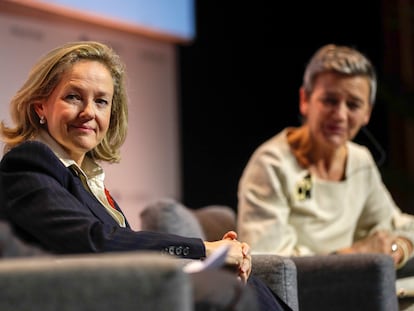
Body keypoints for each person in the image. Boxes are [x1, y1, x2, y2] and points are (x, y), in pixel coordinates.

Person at [0, 41, 290, 311]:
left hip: (116, 291)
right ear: (41, 106)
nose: (88, 112)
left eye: (101, 101)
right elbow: (95, 241)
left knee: (241, 282)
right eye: (73, 97)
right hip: (78, 299)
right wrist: (204, 249)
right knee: (226, 289)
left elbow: (120, 244)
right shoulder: (27, 164)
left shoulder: (83, 177)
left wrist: (214, 258)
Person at [237, 44, 414, 271]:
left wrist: (395, 250)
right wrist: (354, 255)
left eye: (353, 105)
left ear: (367, 113)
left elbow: (397, 226)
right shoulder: (271, 164)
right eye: (330, 101)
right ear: (305, 100)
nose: (340, 115)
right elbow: (267, 266)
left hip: (357, 287)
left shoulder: (360, 160)